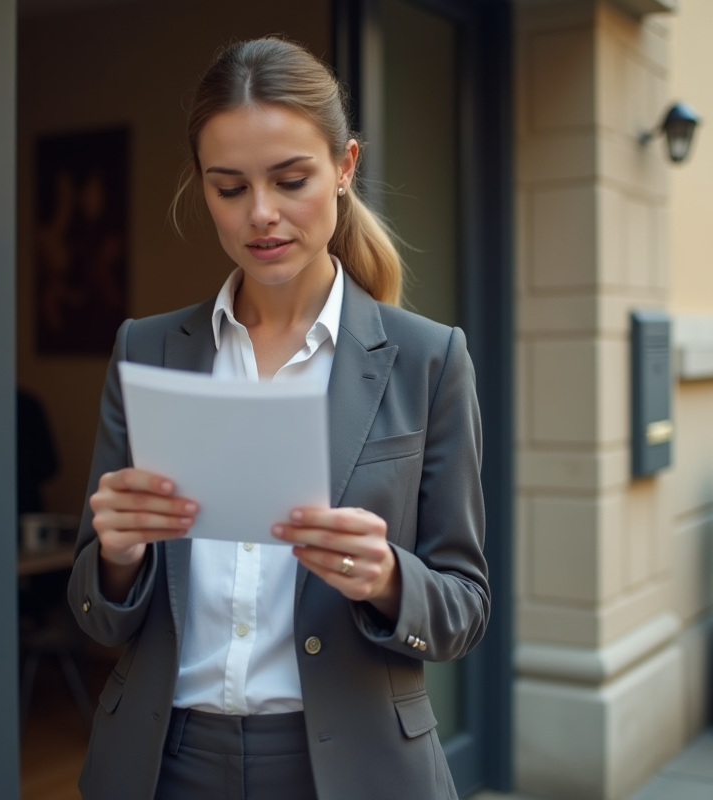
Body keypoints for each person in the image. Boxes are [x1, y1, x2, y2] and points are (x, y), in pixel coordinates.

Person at [68, 37, 488, 800]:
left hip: (352, 768)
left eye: (291, 180)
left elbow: (463, 606)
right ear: (201, 185)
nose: (261, 215)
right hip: (163, 764)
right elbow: (97, 612)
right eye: (229, 188)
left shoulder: (428, 360)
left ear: (345, 166)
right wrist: (118, 556)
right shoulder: (148, 349)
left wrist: (389, 578)